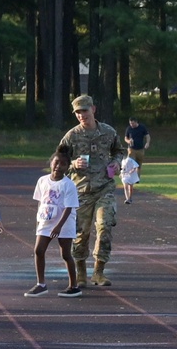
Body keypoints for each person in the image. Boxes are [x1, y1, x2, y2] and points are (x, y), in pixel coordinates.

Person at [58, 95, 124, 287]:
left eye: (84, 111)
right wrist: (72, 163)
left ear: (93, 109)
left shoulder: (108, 132)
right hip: (81, 191)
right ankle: (80, 273)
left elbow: (118, 151)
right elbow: (57, 161)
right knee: (81, 234)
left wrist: (117, 163)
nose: (81, 115)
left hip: (105, 187)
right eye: (78, 112)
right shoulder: (71, 136)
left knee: (104, 226)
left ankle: (99, 272)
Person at [24, 147, 81, 298]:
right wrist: (39, 221)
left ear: (67, 167)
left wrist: (59, 226)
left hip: (64, 222)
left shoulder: (68, 185)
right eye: (56, 162)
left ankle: (74, 285)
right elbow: (40, 202)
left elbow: (69, 208)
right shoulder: (42, 181)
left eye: (62, 164)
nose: (58, 166)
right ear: (51, 163)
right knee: (38, 250)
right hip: (46, 221)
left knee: (66, 254)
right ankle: (41, 284)